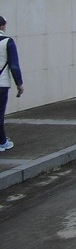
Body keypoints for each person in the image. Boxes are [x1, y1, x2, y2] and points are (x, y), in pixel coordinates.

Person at [0, 16, 24, 153]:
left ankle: (2, 140)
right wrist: (19, 84)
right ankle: (2, 142)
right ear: (2, 26)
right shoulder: (7, 42)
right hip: (1, 84)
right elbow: (14, 66)